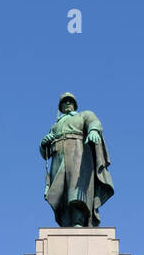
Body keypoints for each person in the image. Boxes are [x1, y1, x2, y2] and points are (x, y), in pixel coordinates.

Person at [39, 92, 114, 227]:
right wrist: (43, 144)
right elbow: (45, 153)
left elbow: (94, 122)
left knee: (77, 190)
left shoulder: (83, 115)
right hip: (58, 157)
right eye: (64, 101)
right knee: (61, 192)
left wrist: (93, 131)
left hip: (78, 154)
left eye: (70, 101)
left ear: (74, 104)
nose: (68, 103)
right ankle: (67, 221)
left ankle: (78, 221)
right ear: (60, 106)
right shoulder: (55, 125)